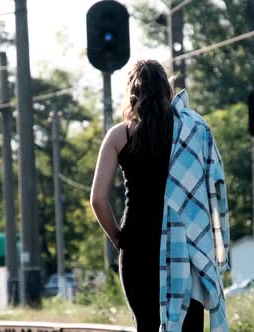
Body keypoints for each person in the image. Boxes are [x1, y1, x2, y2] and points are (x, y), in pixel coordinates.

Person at [90, 59, 230, 332]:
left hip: (138, 245)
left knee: (147, 325)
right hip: (186, 243)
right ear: (168, 90)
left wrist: (119, 237)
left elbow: (97, 199)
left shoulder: (119, 136)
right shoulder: (192, 131)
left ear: (133, 94)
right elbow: (213, 186)